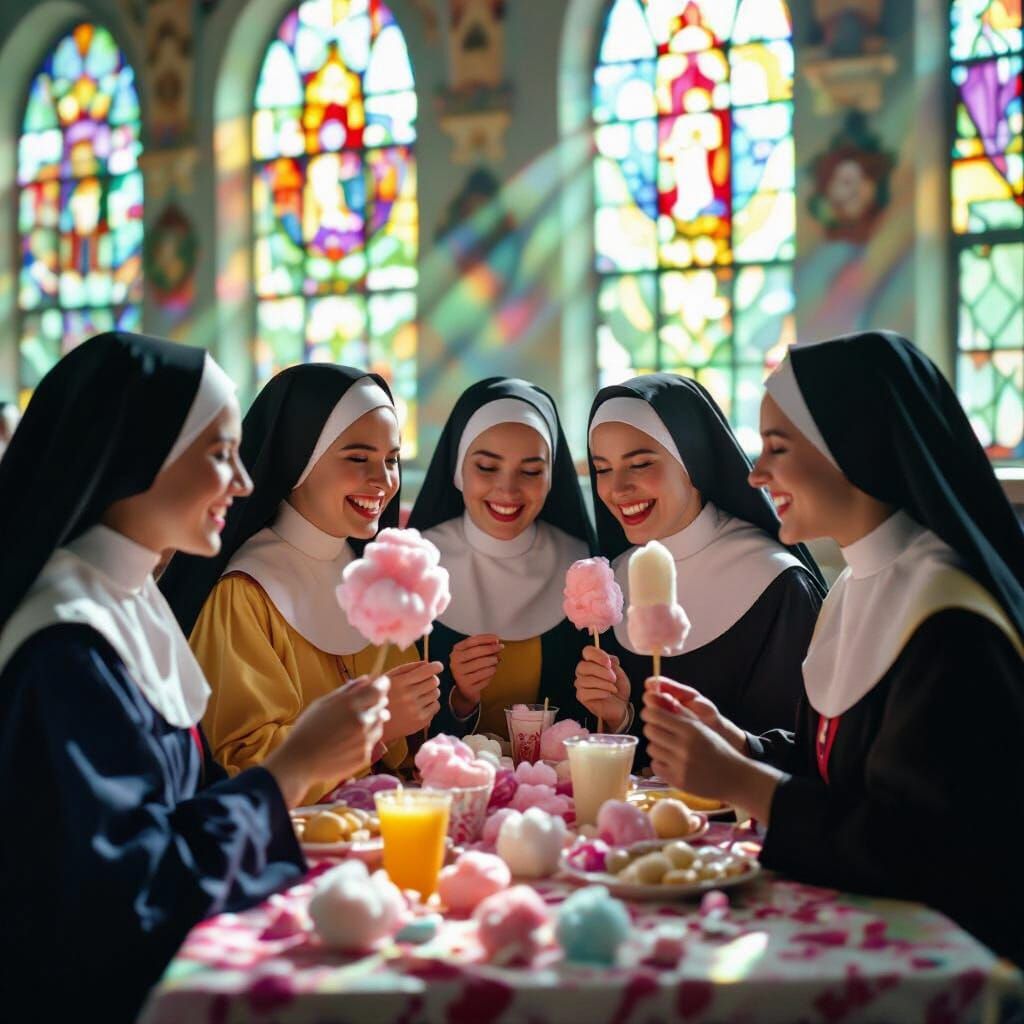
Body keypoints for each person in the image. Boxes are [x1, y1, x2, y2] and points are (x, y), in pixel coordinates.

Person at [0, 333, 390, 1022]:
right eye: (219, 454)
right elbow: (125, 896)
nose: (243, 482)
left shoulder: (125, 594)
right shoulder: (64, 647)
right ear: (134, 457)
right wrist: (292, 768)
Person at [640, 332, 1024, 961]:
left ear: (854, 447)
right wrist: (745, 746)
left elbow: (926, 849)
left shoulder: (951, 620)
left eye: (777, 448)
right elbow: (852, 767)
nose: (755, 474)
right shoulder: (857, 584)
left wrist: (744, 782)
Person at [161, 364, 439, 799]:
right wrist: (376, 726)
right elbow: (238, 764)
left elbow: (400, 751)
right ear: (298, 458)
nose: (383, 481)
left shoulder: (376, 580)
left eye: (391, 459)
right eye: (358, 458)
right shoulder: (243, 592)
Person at [576, 374, 824, 740]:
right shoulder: (610, 585)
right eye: (602, 469)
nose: (616, 489)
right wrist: (620, 720)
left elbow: (796, 750)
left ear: (693, 461)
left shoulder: (777, 583)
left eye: (641, 464)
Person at [408, 377, 596, 736]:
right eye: (487, 467)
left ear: (552, 476)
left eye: (530, 471)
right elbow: (396, 733)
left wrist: (616, 713)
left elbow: (592, 721)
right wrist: (459, 700)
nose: (508, 489)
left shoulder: (582, 568)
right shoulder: (413, 566)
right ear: (458, 470)